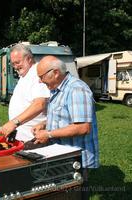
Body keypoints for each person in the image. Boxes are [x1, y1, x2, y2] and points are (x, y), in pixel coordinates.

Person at [33, 55, 99, 199]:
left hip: (76, 158)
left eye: (41, 76)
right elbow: (63, 116)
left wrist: (48, 134)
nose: (40, 80)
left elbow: (82, 127)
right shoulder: (57, 88)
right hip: (63, 155)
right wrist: (44, 124)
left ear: (55, 72)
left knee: (75, 196)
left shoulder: (76, 89)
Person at [1, 43, 50, 143]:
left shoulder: (37, 73)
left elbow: (40, 103)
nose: (15, 67)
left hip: (33, 138)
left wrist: (15, 122)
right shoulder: (25, 75)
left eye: (17, 62)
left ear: (29, 59)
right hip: (23, 138)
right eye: (13, 64)